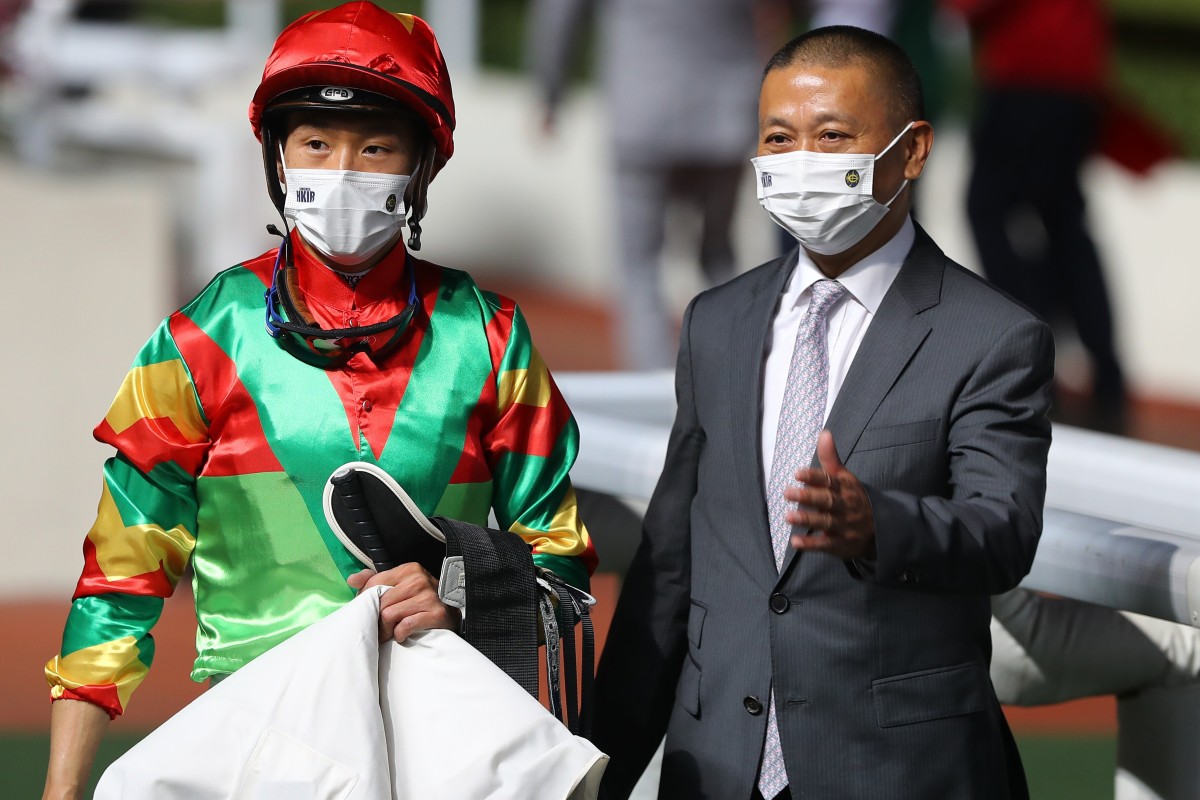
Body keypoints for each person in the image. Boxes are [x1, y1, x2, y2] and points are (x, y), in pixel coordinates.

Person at [41, 4, 596, 797]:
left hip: (449, 738)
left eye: (376, 147)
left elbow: (562, 563)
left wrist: (457, 586)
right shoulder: (200, 340)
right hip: (260, 741)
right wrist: (61, 790)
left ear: (421, 168)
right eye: (315, 143)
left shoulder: (492, 336)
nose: (341, 171)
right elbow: (118, 580)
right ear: (277, 159)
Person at [592, 25, 1053, 800]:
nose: (800, 159)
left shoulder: (993, 337)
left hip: (898, 770)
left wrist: (880, 525)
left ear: (912, 151)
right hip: (718, 768)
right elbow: (671, 564)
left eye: (832, 135)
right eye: (779, 136)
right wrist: (602, 767)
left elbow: (1002, 532)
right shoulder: (717, 322)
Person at [528, 0, 794, 370]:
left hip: (643, 115)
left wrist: (550, 93)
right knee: (718, 255)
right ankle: (743, 377)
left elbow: (559, 15)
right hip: (728, 115)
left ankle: (656, 394)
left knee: (638, 268)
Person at [946, 0, 1127, 432]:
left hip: (1026, 78)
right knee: (1065, 227)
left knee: (987, 209)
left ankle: (1030, 351)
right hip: (1076, 80)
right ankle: (1106, 377)